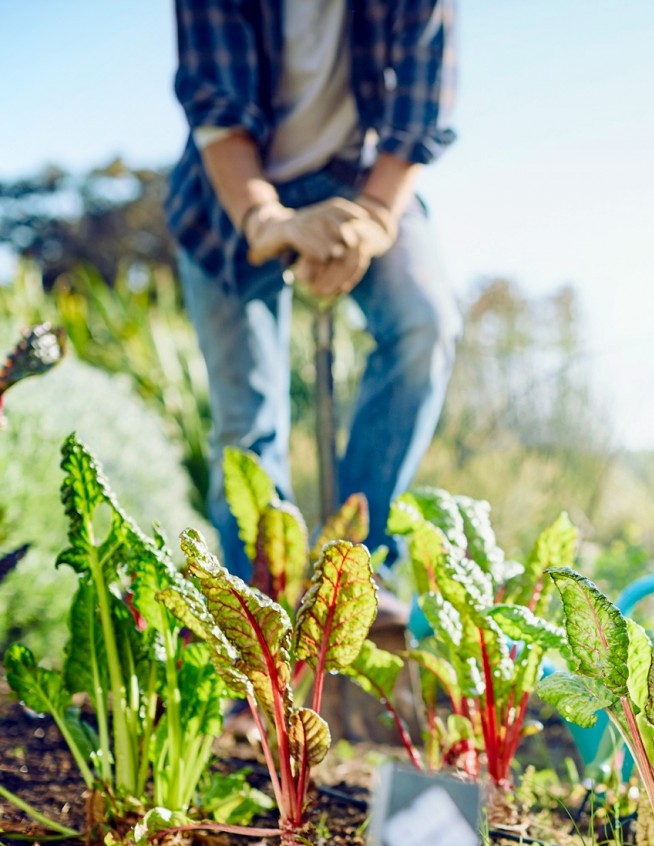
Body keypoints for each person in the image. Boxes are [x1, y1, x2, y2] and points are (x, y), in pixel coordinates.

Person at [165, 0, 462, 636]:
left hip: (363, 180)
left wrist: (376, 219)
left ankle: (357, 578)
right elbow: (218, 110)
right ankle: (261, 627)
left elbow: (416, 118)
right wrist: (268, 221)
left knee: (424, 323)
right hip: (231, 199)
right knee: (247, 424)